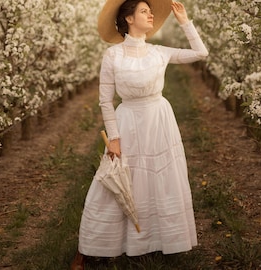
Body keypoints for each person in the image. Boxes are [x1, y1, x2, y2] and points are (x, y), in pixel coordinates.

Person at [71, 0, 208, 269]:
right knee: (112, 182)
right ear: (129, 19)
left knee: (159, 180)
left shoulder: (159, 52)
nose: (151, 15)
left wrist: (185, 22)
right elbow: (105, 101)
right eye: (144, 11)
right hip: (128, 121)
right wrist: (114, 138)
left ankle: (151, 241)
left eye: (150, 11)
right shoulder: (113, 56)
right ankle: (89, 247)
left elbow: (201, 53)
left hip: (158, 120)